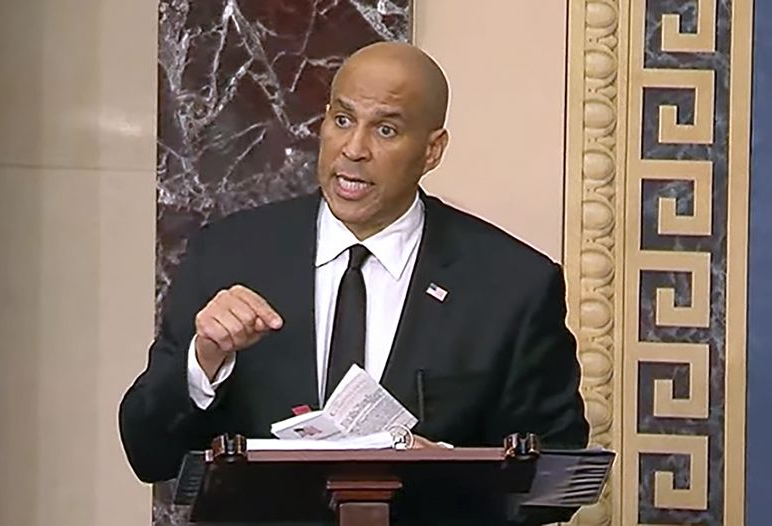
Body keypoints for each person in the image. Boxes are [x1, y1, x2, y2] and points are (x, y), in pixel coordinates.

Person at [119, 42, 589, 524]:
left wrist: (449, 474)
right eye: (342, 120)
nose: (354, 149)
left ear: (432, 150)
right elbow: (147, 451)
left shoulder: (513, 285)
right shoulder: (228, 254)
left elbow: (559, 480)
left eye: (385, 130)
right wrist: (204, 363)